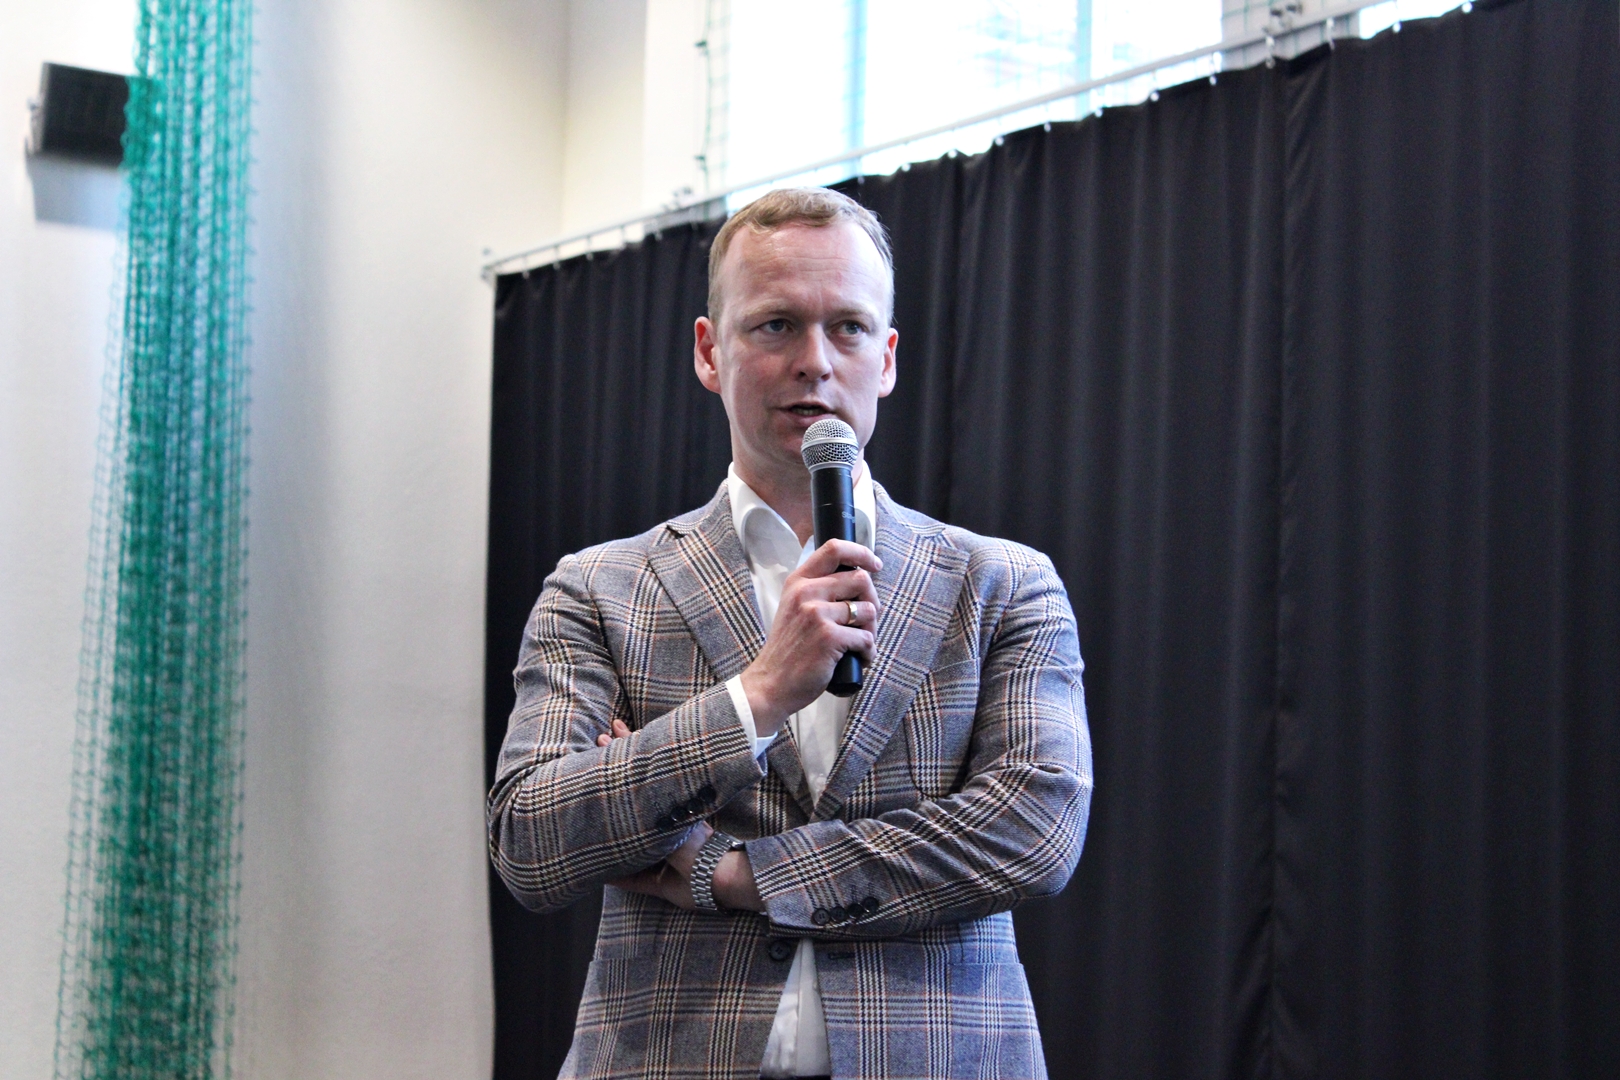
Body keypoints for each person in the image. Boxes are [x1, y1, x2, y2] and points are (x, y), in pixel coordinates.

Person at [487, 187, 1092, 1080]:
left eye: (847, 328)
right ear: (709, 351)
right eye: (775, 326)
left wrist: (731, 873)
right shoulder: (600, 587)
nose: (815, 361)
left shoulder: (1002, 583)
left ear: (886, 358)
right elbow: (532, 842)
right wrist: (757, 696)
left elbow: (1034, 830)